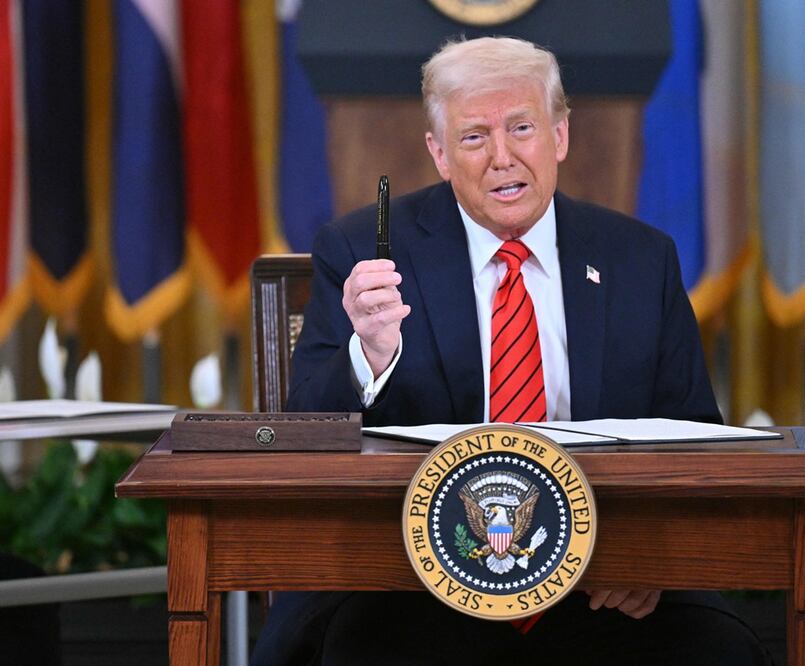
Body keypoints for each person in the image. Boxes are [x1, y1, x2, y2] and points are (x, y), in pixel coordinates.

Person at [252, 37, 772, 665]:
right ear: (439, 154)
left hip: (603, 576)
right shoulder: (365, 250)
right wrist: (371, 354)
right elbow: (303, 429)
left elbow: (693, 434)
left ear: (559, 136)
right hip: (410, 578)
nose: (503, 157)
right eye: (474, 137)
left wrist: (650, 557)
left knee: (719, 649)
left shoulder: (639, 258)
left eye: (522, 128)